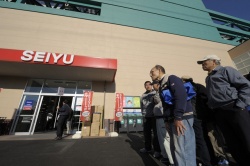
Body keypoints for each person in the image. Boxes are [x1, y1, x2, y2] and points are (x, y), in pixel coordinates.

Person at [197, 54, 250, 166]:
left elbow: (245, 86)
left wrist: (239, 105)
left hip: (234, 108)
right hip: (220, 113)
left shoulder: (226, 70)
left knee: (246, 137)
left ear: (214, 62)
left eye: (205, 61)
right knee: (232, 142)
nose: (203, 64)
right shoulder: (208, 78)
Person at [150, 65, 196, 166]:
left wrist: (178, 117)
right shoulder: (162, 84)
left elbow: (181, 96)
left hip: (182, 118)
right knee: (175, 148)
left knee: (183, 148)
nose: (150, 74)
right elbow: (166, 105)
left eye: (152, 72)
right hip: (172, 119)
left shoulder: (172, 78)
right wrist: (167, 120)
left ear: (159, 70)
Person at [181, 76, 215, 166]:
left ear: (184, 81)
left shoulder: (186, 87)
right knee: (206, 138)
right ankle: (212, 159)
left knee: (200, 139)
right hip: (203, 115)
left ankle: (206, 162)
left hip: (194, 115)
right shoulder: (199, 86)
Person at [151, 80, 174, 165]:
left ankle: (169, 159)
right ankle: (167, 157)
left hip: (162, 118)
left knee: (165, 139)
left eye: (154, 85)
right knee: (163, 139)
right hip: (159, 118)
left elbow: (160, 101)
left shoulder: (161, 91)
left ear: (157, 85)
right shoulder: (158, 92)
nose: (153, 86)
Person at [140, 81, 161, 158]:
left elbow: (158, 102)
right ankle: (147, 148)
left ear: (152, 86)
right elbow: (141, 106)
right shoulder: (142, 95)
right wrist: (143, 114)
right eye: (146, 85)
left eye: (149, 85)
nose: (148, 86)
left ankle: (157, 150)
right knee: (146, 133)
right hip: (146, 116)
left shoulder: (155, 93)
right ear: (144, 86)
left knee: (155, 134)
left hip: (154, 116)